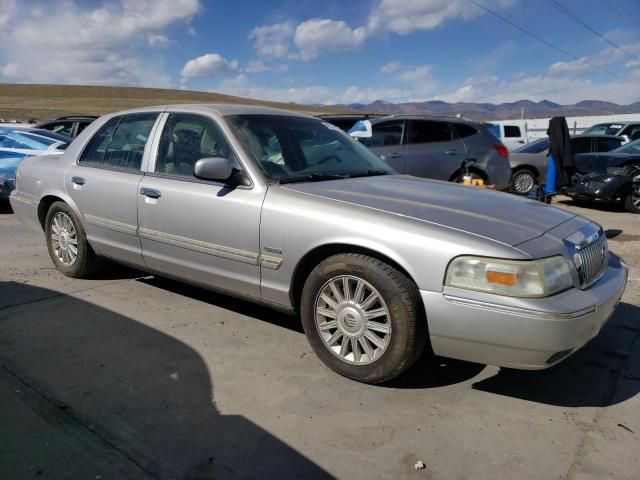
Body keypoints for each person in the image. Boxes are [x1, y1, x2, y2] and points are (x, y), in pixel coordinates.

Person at [544, 116, 574, 203]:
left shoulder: (555, 139)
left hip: (554, 157)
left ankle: (549, 192)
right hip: (554, 157)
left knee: (551, 179)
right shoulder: (560, 138)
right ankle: (549, 192)